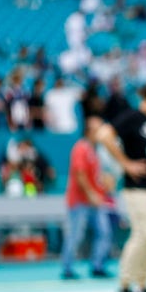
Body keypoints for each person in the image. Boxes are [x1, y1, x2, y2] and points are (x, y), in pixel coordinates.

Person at [97, 80, 146, 292]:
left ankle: (141, 285)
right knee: (143, 233)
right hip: (139, 188)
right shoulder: (132, 116)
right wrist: (125, 163)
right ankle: (124, 285)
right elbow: (104, 135)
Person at [60, 116, 113, 280]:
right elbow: (80, 173)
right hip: (80, 201)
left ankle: (97, 266)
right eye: (98, 129)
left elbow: (95, 175)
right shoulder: (81, 148)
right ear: (90, 131)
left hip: (95, 200)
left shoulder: (95, 149)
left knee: (104, 232)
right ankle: (67, 268)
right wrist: (90, 193)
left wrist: (103, 186)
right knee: (75, 235)